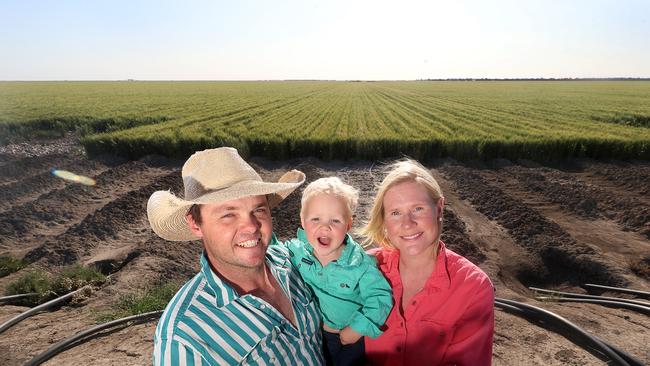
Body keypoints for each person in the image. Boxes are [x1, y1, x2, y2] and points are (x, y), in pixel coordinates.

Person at [147, 147, 324, 365]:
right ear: (195, 224)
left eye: (259, 210)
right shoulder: (185, 339)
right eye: (229, 214)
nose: (251, 226)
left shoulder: (294, 263)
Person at [361, 159, 494, 366]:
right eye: (395, 213)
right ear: (385, 221)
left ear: (439, 208)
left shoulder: (473, 288)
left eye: (418, 209)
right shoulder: (367, 267)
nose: (407, 223)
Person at [282, 177, 392, 366]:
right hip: (314, 335)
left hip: (349, 338)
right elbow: (271, 250)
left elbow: (380, 296)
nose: (325, 227)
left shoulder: (359, 264)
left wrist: (357, 328)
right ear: (303, 220)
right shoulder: (296, 251)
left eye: (335, 220)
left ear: (348, 224)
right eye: (315, 219)